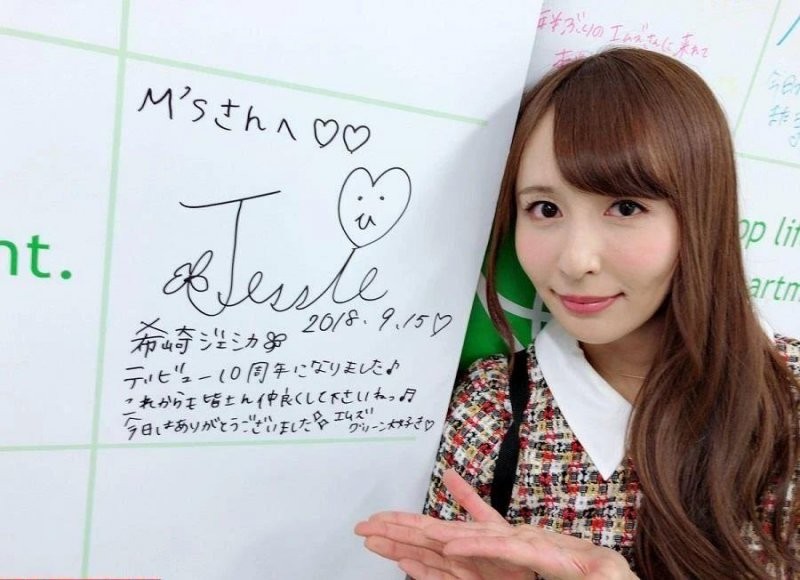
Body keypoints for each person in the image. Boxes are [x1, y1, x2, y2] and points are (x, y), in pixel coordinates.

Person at [354, 47, 800, 579]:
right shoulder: (491, 413)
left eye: (625, 207)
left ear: (702, 213)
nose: (575, 260)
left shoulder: (788, 396)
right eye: (545, 209)